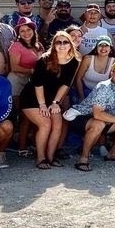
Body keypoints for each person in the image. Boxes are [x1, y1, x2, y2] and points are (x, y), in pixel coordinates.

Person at [19, 30, 80, 169]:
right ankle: (41, 158)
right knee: (46, 124)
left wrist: (55, 103)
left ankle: (51, 157)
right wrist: (42, 105)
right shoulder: (44, 60)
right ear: (53, 45)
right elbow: (37, 84)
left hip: (52, 99)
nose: (62, 45)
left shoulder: (74, 61)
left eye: (65, 42)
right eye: (58, 42)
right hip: (32, 98)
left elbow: (66, 84)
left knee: (58, 123)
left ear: (70, 45)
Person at [68, 60, 115, 172]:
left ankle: (113, 153)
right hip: (81, 117)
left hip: (105, 119)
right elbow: (97, 113)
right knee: (98, 124)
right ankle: (83, 159)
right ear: (112, 73)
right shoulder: (104, 87)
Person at [7, 17, 43, 156]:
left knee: (31, 115)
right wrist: (33, 71)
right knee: (19, 114)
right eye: (22, 30)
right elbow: (15, 67)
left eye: (28, 29)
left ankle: (32, 143)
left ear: (33, 30)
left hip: (32, 82)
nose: (26, 33)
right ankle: (19, 145)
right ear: (18, 33)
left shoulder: (39, 46)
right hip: (17, 81)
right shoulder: (15, 45)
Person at [74, 35, 115, 100]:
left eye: (106, 45)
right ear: (96, 48)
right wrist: (82, 97)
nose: (103, 48)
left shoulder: (114, 62)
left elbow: (114, 83)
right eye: (100, 45)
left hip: (103, 93)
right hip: (85, 90)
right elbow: (78, 79)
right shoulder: (87, 59)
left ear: (110, 49)